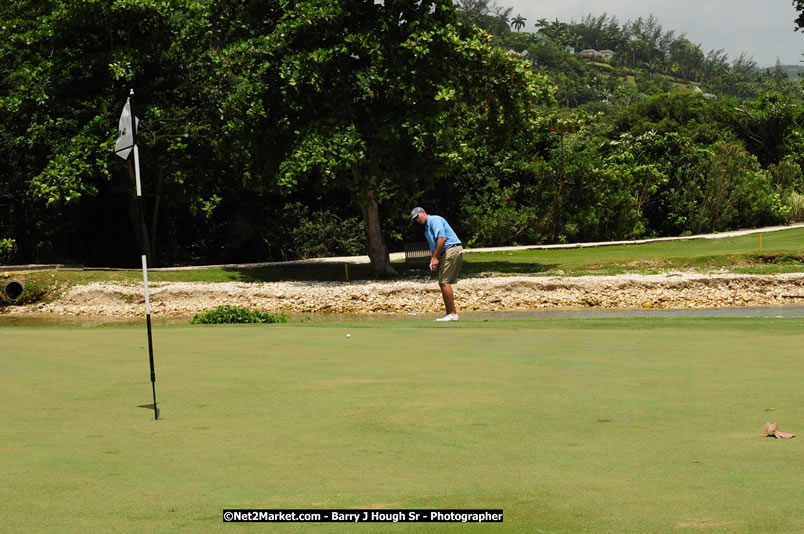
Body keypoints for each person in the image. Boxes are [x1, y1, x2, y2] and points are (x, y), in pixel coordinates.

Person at [410, 207, 463, 321]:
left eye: (417, 217)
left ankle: (452, 314)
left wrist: (435, 257)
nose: (417, 220)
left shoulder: (434, 220)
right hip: (447, 252)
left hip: (452, 249)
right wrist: (432, 260)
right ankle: (449, 313)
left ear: (423, 212)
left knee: (444, 282)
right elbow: (434, 247)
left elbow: (442, 239)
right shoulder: (426, 230)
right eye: (415, 219)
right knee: (443, 282)